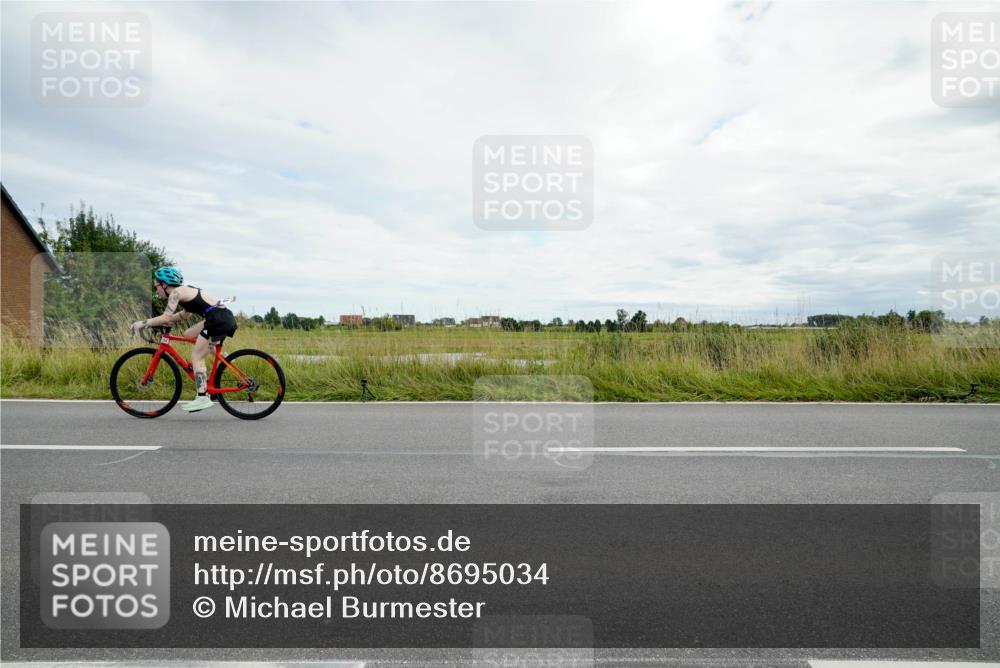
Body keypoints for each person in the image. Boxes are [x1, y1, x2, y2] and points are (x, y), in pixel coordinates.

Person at [131, 266, 238, 412]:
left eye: (156, 286)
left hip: (217, 320)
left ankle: (202, 397)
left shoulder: (176, 293)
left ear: (164, 284)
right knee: (188, 334)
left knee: (197, 357)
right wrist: (161, 322)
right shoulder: (185, 291)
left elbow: (165, 317)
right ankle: (226, 362)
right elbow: (183, 315)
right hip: (221, 317)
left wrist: (142, 323)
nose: (156, 290)